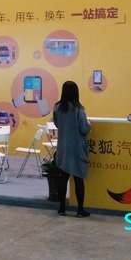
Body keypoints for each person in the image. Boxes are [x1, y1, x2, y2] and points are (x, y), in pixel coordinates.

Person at [52, 80, 91, 217]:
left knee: (63, 179)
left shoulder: (57, 108)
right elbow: (84, 129)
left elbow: (57, 124)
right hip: (77, 148)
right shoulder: (78, 109)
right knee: (78, 179)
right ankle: (80, 210)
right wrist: (89, 125)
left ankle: (62, 208)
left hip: (63, 148)